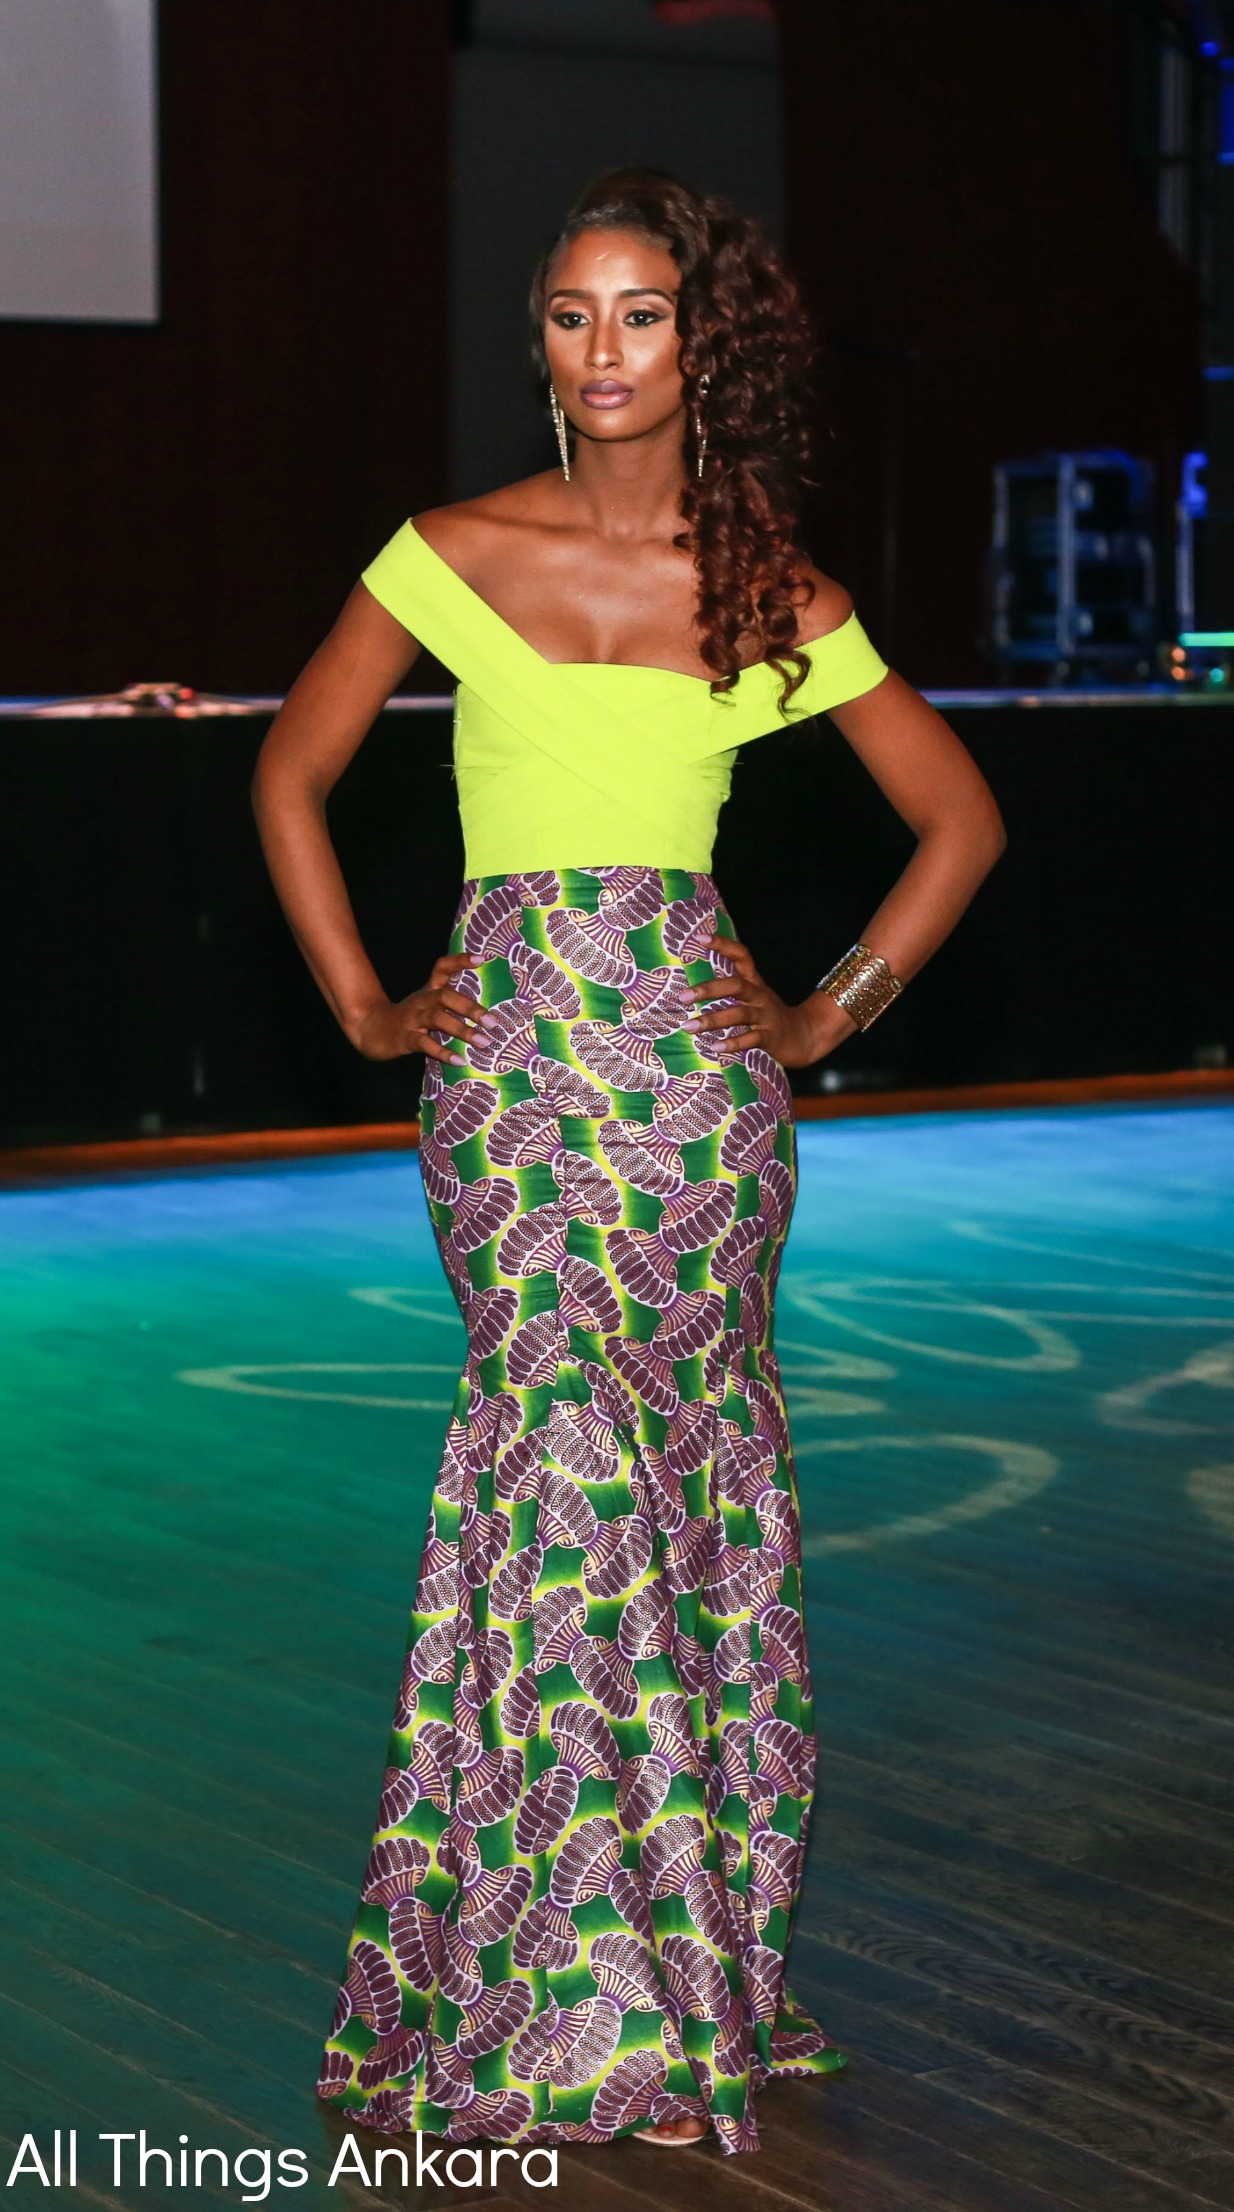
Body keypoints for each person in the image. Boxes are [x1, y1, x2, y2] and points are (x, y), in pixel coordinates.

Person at [251, 167, 1006, 2157]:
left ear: (700, 345)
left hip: (692, 1097)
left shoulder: (763, 585)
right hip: (507, 1077)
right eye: (571, 313)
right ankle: (563, 1986)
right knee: (558, 1466)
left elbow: (959, 820)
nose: (602, 349)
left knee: (675, 1486)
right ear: (538, 342)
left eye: (641, 313)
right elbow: (289, 770)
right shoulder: (448, 550)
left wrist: (823, 1013)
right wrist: (364, 1005)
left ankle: (679, 1965)